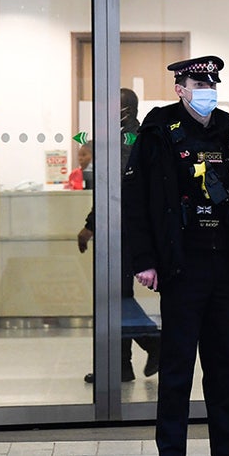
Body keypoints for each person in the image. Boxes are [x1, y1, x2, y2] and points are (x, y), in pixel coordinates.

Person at [123, 56, 229, 456]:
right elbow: (136, 202)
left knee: (225, 366)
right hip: (182, 266)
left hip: (226, 266)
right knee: (176, 368)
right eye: (198, 83)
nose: (207, 90)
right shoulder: (158, 131)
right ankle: (171, 449)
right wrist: (143, 260)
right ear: (180, 88)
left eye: (212, 83)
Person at [77, 88, 161, 383]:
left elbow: (115, 189)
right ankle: (121, 366)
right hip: (125, 228)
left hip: (123, 230)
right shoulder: (129, 136)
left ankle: (153, 342)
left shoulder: (126, 141)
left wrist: (91, 225)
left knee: (116, 296)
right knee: (118, 295)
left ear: (125, 109)